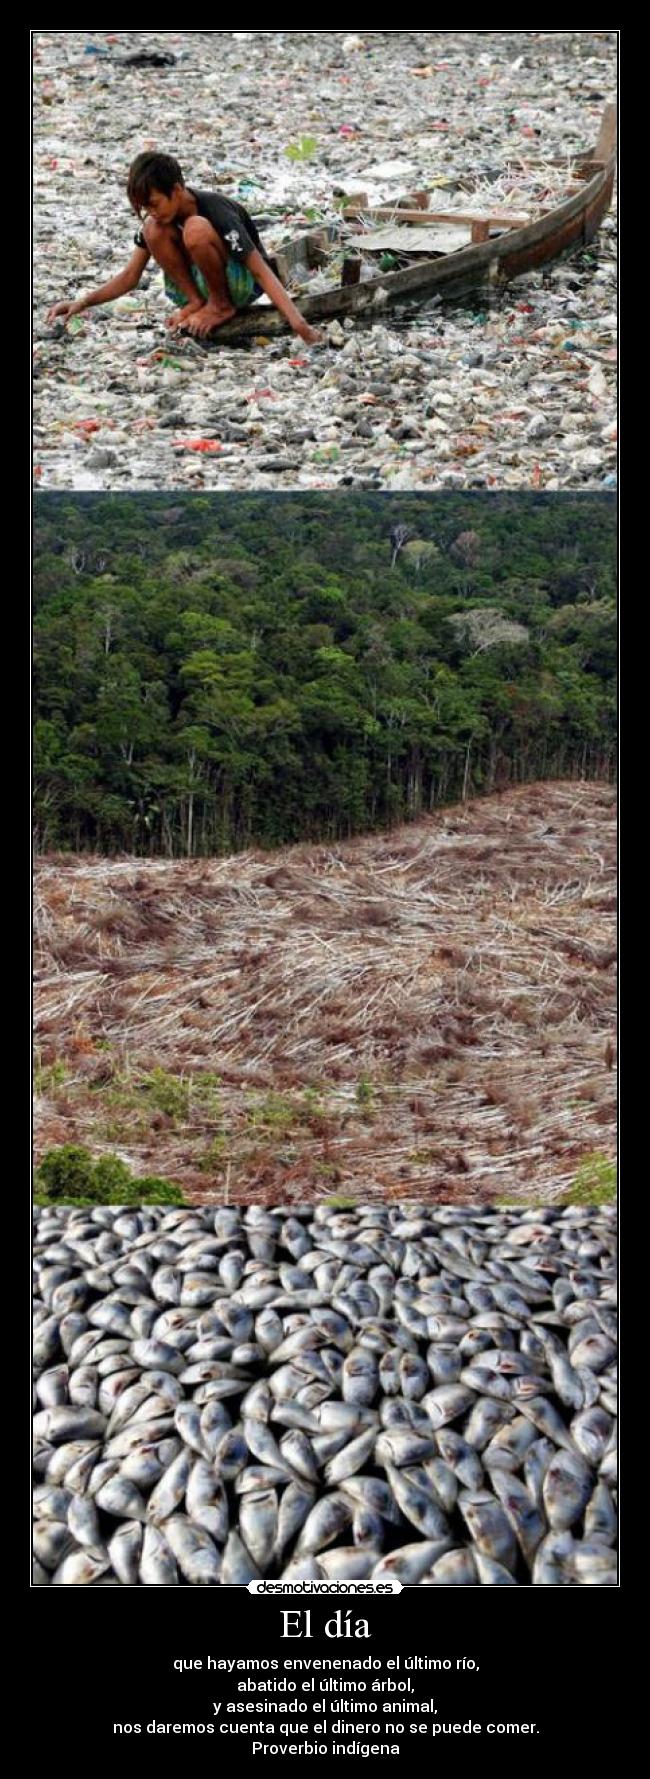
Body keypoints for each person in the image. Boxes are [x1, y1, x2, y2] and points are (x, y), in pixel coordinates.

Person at [46, 150, 322, 343]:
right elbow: (130, 276)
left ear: (177, 190)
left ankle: (220, 305)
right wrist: (81, 303)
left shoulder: (216, 210)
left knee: (196, 229)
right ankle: (196, 301)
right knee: (152, 230)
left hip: (241, 284)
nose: (151, 211)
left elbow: (261, 270)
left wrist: (298, 323)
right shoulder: (158, 220)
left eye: (154, 203)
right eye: (145, 207)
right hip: (201, 286)